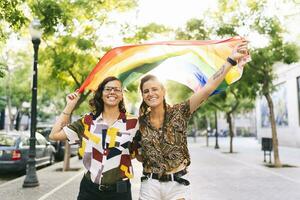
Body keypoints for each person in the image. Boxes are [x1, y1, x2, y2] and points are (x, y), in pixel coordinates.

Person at [135, 40, 249, 200]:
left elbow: (208, 88)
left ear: (163, 91)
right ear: (142, 95)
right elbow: (138, 155)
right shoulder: (140, 123)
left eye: (154, 89)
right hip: (149, 184)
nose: (150, 93)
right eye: (146, 91)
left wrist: (231, 60)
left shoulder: (180, 111)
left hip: (177, 185)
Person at [49, 76, 139, 200]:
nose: (112, 92)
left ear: (122, 94)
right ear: (101, 94)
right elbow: (54, 135)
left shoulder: (134, 123)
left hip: (120, 192)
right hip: (89, 191)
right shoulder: (87, 121)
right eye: (108, 89)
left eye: (117, 89)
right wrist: (69, 106)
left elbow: (141, 153)